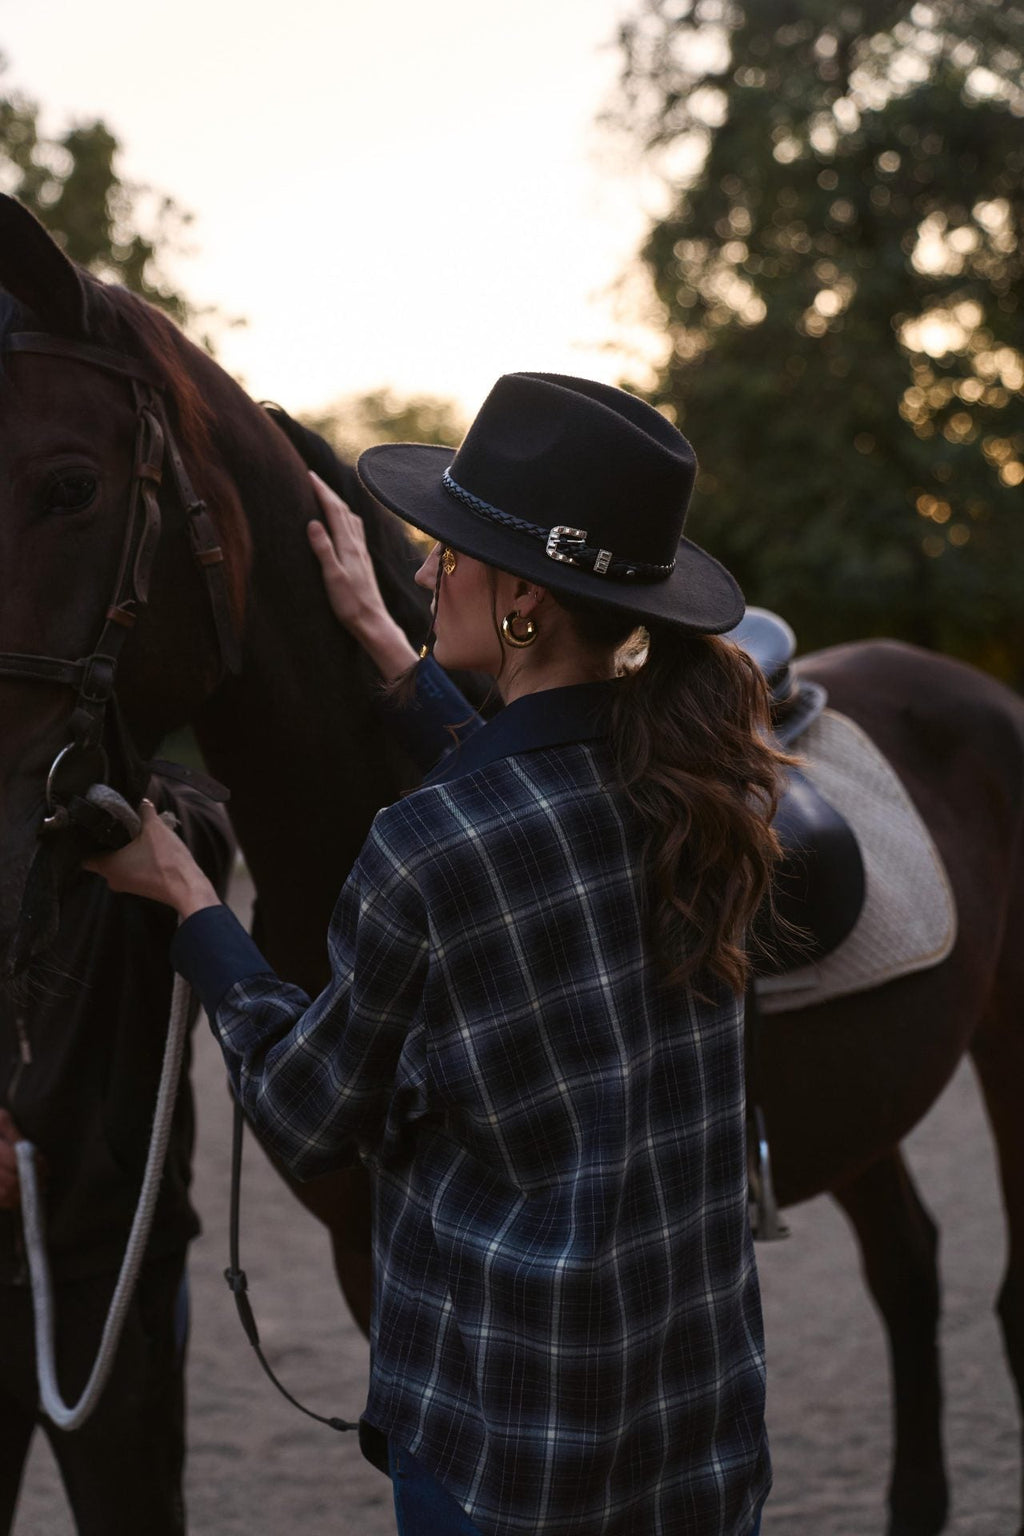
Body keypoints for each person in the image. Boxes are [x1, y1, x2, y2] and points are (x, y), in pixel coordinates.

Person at [86, 372, 781, 1536]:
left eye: (450, 555)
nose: (420, 576)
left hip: (506, 1460)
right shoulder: (706, 784)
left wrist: (192, 904)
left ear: (524, 603)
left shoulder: (427, 844)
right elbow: (537, 784)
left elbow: (306, 1111)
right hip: (698, 1438)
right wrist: (387, 649)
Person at [0, 779, 233, 1536]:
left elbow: (201, 848)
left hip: (114, 1263)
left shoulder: (152, 810)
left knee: (132, 1516)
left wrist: (112, 794)